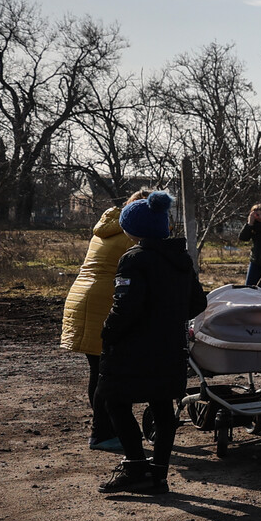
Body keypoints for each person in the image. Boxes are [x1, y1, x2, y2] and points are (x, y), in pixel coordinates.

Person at [95, 192, 206, 495]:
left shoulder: (134, 259)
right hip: (170, 346)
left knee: (113, 401)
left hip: (133, 348)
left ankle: (134, 467)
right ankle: (158, 475)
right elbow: (198, 301)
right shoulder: (181, 259)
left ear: (135, 230)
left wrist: (108, 332)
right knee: (162, 406)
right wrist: (168, 319)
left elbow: (125, 307)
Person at [61, 189, 151, 453]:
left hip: (84, 298)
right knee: (107, 373)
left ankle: (108, 429)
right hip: (102, 302)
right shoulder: (130, 235)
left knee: (100, 369)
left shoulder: (108, 227)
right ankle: (102, 433)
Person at [238, 204, 261, 287]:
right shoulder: (253, 227)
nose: (260, 217)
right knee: (249, 286)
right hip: (255, 260)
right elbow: (243, 238)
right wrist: (249, 224)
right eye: (257, 215)